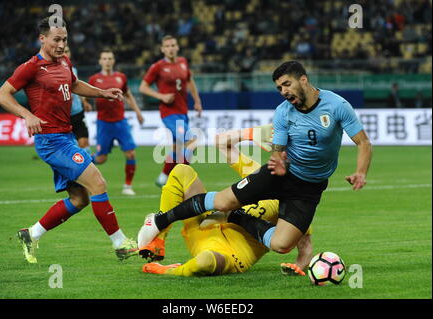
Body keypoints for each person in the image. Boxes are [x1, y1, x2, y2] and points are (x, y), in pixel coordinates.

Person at [138, 60, 372, 260]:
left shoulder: (337, 106)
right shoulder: (283, 111)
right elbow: (278, 148)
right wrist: (278, 161)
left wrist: (360, 172)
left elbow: (363, 143)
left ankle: (237, 217)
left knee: (281, 245)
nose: (284, 91)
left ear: (303, 80)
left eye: (287, 84)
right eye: (279, 88)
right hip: (280, 174)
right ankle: (159, 221)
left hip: (310, 187)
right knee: (221, 202)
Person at [0, 17, 138, 263]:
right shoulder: (31, 67)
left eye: (64, 40)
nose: (61, 45)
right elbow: (1, 95)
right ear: (43, 39)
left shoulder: (64, 62)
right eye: (56, 40)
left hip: (66, 137)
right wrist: (27, 114)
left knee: (80, 199)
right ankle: (120, 244)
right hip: (51, 141)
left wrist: (102, 93)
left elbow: (74, 84)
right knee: (98, 182)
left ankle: (30, 234)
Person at [140, 124, 312, 276]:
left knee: (205, 262)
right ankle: (158, 239)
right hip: (204, 223)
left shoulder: (296, 203)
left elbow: (304, 248)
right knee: (181, 171)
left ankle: (167, 270)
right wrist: (251, 133)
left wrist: (298, 266)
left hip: (230, 252)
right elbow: (222, 142)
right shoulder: (261, 175)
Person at [139, 35, 203, 187]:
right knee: (192, 141)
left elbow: (189, 81)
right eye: (167, 46)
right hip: (169, 113)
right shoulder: (157, 67)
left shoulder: (183, 62)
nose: (170, 48)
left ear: (177, 47)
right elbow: (143, 87)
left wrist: (197, 101)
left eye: (173, 45)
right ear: (162, 49)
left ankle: (163, 178)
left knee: (176, 147)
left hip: (183, 111)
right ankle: (183, 177)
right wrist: (160, 96)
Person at [88, 49, 144, 196]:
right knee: (101, 158)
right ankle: (82, 162)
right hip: (104, 124)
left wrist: (137, 112)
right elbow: (84, 94)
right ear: (100, 61)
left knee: (131, 153)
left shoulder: (121, 77)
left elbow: (128, 95)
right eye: (104, 58)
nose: (107, 61)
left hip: (121, 122)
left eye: (110, 58)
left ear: (113, 61)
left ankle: (127, 186)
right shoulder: (94, 79)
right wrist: (84, 103)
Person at [63, 45, 91, 154]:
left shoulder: (73, 70)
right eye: (64, 51)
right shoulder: (52, 72)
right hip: (63, 117)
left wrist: (84, 101)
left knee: (84, 143)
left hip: (77, 113)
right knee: (68, 148)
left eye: (67, 51)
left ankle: (87, 170)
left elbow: (77, 87)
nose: (66, 53)